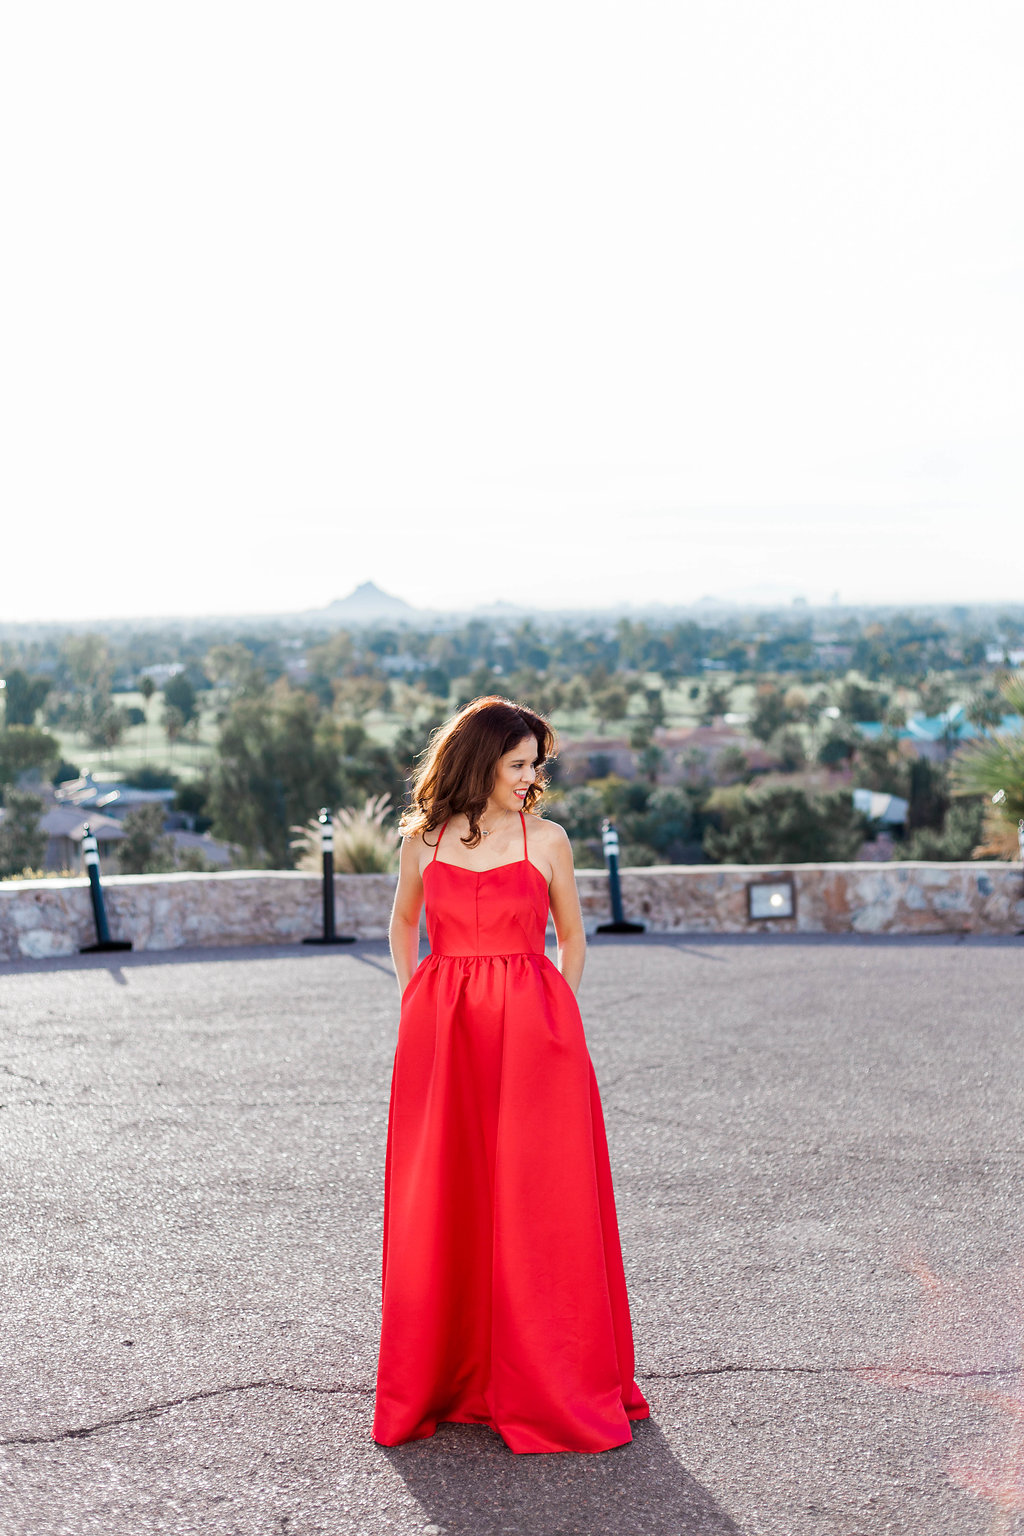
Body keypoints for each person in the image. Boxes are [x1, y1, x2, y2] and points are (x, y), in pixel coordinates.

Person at [372, 696, 649, 1454]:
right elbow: (403, 923)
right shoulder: (424, 841)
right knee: (447, 1192)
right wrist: (413, 1002)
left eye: (536, 765)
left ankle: (545, 1379)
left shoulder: (549, 839)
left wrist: (558, 1013)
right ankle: (454, 1377)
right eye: (518, 764)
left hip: (536, 1035)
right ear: (480, 762)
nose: (531, 778)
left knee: (540, 1200)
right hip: (443, 1033)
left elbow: (573, 938)